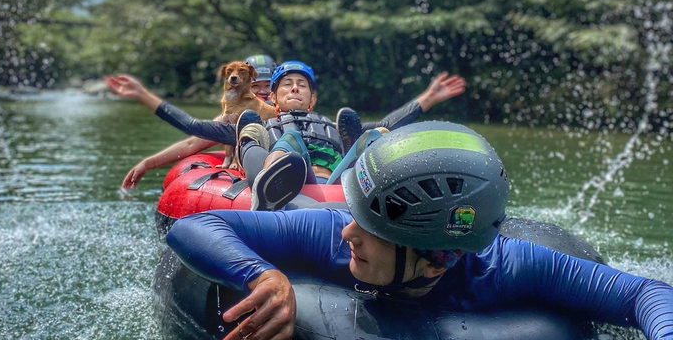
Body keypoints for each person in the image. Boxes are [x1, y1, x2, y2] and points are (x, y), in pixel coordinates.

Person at [165, 122, 673, 340]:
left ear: (436, 257)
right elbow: (193, 227)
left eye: (370, 230)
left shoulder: (507, 266)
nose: (348, 236)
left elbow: (645, 293)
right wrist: (261, 276)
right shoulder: (329, 230)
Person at [106, 60, 466, 209]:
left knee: (372, 137)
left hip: (340, 185)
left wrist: (428, 98)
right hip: (293, 183)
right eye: (286, 86)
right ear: (273, 98)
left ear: (313, 98)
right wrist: (143, 95)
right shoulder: (263, 123)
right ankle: (268, 187)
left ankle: (385, 193)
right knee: (276, 137)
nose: (294, 89)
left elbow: (387, 122)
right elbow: (194, 129)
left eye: (302, 86)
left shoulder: (333, 124)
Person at [117, 55, 277, 189]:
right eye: (256, 86)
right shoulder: (231, 118)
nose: (262, 91)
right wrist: (148, 163)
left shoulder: (285, 113)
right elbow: (191, 143)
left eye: (268, 85)